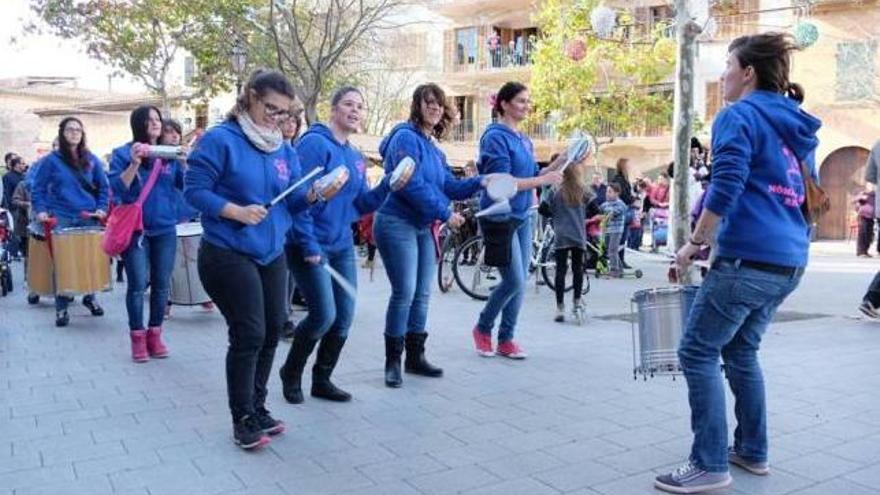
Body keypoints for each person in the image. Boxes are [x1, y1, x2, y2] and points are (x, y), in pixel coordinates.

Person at [656, 33, 820, 493]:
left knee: (697, 351)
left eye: (728, 64)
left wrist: (693, 244)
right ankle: (752, 449)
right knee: (742, 351)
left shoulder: (738, 116)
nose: (723, 74)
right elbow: (811, 197)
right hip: (788, 260)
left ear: (747, 72)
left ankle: (709, 463)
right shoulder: (798, 124)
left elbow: (725, 186)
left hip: (748, 259)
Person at [185, 69, 324, 450]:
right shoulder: (220, 140)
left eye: (284, 113)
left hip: (270, 252)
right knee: (248, 333)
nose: (277, 119)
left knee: (271, 330)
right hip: (227, 251)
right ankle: (241, 417)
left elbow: (293, 200)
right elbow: (193, 191)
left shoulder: (283, 147)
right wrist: (234, 210)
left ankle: (258, 407)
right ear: (249, 97)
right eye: (270, 108)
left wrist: (314, 195)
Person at [279, 86, 391, 404]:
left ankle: (322, 379)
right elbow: (297, 197)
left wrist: (386, 186)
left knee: (344, 316)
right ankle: (291, 372)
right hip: (308, 243)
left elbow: (358, 204)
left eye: (360, 106)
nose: (355, 111)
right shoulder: (314, 144)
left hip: (340, 244)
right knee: (323, 315)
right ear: (333, 109)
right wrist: (309, 244)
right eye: (348, 104)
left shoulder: (355, 157)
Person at [374, 83, 489, 387]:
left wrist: (481, 181)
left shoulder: (434, 150)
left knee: (423, 294)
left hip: (421, 226)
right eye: (428, 103)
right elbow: (411, 185)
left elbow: (449, 185)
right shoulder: (404, 138)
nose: (435, 108)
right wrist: (445, 213)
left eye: (439, 104)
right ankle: (392, 363)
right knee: (405, 292)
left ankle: (415, 358)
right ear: (417, 106)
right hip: (396, 221)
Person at [470, 81, 564, 360]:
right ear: (504, 104)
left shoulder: (523, 138)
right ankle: (483, 327)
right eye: (521, 101)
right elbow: (503, 183)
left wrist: (558, 165)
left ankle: (506, 339)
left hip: (523, 215)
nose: (527, 106)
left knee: (520, 281)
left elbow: (532, 172)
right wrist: (542, 179)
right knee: (513, 281)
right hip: (500, 216)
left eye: (527, 101)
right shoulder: (495, 137)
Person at [109, 106, 184, 362]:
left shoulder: (168, 154)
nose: (155, 123)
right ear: (138, 123)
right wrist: (134, 163)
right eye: (150, 120)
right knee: (138, 285)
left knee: (162, 285)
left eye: (158, 119)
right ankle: (137, 338)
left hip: (165, 229)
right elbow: (118, 189)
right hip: (136, 231)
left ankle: (155, 334)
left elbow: (184, 186)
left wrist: (184, 163)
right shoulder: (122, 152)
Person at [31, 117, 109, 327]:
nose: (74, 133)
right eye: (70, 130)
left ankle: (90, 298)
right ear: (62, 133)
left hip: (89, 217)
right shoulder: (51, 161)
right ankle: (62, 307)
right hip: (63, 216)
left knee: (89, 261)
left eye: (78, 130)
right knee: (64, 264)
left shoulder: (91, 159)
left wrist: (101, 208)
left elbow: (103, 187)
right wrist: (41, 210)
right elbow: (37, 188)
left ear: (82, 134)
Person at [542, 157, 597, 323]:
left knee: (560, 271)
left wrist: (556, 215)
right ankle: (577, 302)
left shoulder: (556, 191)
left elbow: (543, 209)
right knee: (577, 269)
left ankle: (559, 308)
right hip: (578, 233)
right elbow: (596, 209)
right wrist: (581, 215)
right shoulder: (584, 190)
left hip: (561, 234)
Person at [610, 158, 634, 269]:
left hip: (626, 209)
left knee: (623, 237)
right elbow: (623, 195)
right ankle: (618, 260)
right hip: (622, 210)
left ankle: (621, 259)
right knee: (620, 236)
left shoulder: (624, 179)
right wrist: (632, 199)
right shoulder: (619, 180)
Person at [599, 184, 626, 278]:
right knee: (609, 249)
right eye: (607, 191)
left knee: (612, 249)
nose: (607, 194)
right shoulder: (605, 204)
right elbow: (599, 210)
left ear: (616, 193)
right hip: (607, 230)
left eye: (610, 192)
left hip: (616, 230)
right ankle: (620, 269)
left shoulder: (620, 204)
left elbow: (618, 211)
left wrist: (611, 213)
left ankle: (614, 269)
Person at [3, 154, 27, 258]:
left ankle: (22, 249)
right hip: (14, 208)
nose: (24, 165)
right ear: (16, 165)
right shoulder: (8, 177)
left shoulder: (24, 176)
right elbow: (7, 193)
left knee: (23, 231)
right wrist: (8, 208)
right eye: (22, 163)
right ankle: (13, 252)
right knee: (14, 231)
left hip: (24, 209)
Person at [854, 189, 875, 257]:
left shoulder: (875, 196)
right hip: (863, 217)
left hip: (871, 217)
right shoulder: (863, 194)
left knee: (869, 235)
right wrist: (861, 196)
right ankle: (860, 252)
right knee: (863, 234)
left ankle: (865, 251)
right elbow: (855, 202)